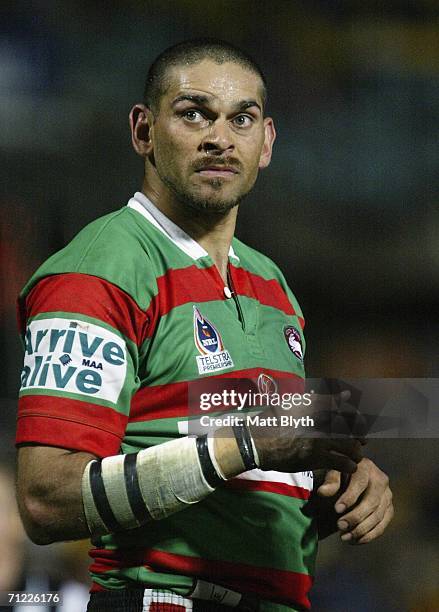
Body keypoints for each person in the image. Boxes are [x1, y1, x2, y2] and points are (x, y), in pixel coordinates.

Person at [15, 39, 393, 612]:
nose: (220, 137)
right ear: (143, 130)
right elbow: (47, 499)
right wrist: (245, 445)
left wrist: (337, 482)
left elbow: (251, 455)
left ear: (266, 142)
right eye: (194, 113)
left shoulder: (273, 284)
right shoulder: (101, 269)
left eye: (241, 118)